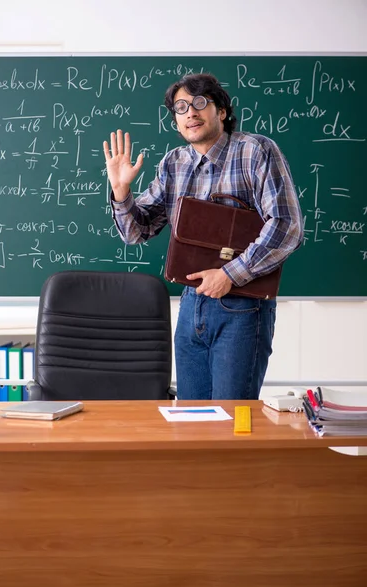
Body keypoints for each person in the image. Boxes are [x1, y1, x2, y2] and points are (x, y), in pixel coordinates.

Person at [103, 73, 303, 400]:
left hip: (242, 307)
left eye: (199, 103)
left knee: (230, 421)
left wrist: (229, 274)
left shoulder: (256, 151)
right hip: (191, 304)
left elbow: (286, 225)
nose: (190, 113)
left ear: (221, 111)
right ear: (177, 123)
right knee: (192, 421)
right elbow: (137, 231)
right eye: (181, 108)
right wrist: (121, 190)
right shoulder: (173, 163)